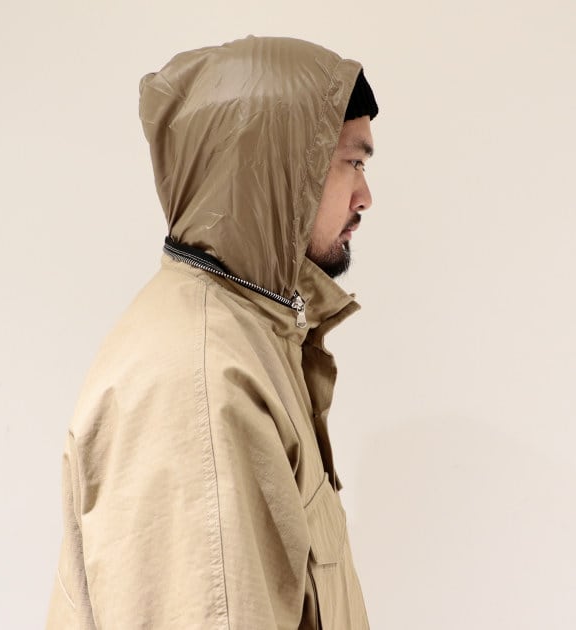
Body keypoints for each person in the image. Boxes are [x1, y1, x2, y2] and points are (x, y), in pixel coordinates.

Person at [47, 35, 378, 629]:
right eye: (352, 162)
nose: (365, 196)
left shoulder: (250, 336)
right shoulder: (198, 383)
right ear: (282, 165)